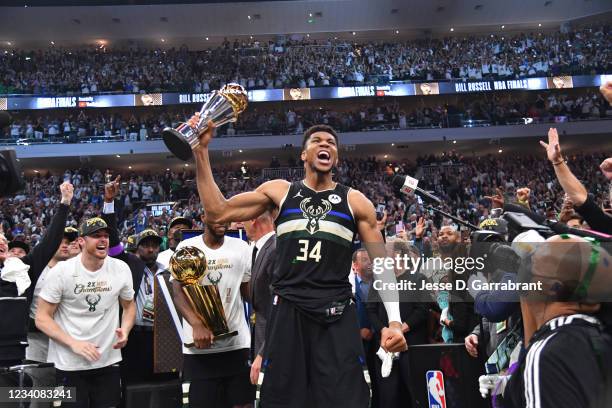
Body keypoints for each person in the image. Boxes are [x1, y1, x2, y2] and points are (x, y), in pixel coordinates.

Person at [189, 117, 406, 408]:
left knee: (346, 401)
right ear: (304, 154)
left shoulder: (356, 202)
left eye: (331, 143)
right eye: (317, 141)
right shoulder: (280, 192)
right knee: (283, 401)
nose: (325, 145)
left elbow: (382, 265)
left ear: (336, 157)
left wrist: (393, 321)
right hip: (288, 312)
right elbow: (217, 211)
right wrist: (200, 153)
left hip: (336, 314)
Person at [35, 217, 136, 408]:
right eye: (96, 236)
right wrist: (74, 343)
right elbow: (42, 318)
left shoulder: (121, 269)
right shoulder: (61, 271)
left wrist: (126, 328)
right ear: (81, 241)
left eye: (106, 236)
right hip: (69, 364)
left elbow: (130, 306)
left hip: (108, 361)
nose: (103, 240)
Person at [501, 235, 612, 408]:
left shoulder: (549, 352)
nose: (526, 267)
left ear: (553, 287)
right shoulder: (596, 336)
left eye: (536, 260)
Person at [172, 217, 254, 408]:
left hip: (236, 344)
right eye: (216, 215)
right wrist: (197, 324)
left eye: (226, 217)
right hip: (200, 348)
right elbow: (178, 292)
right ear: (203, 217)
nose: (222, 221)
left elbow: (247, 291)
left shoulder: (241, 247)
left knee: (243, 404)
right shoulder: (187, 246)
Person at [242, 210, 276, 386]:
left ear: (253, 218)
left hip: (273, 349)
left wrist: (264, 352)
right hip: (263, 339)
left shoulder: (275, 249)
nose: (242, 224)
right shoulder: (261, 248)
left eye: (244, 219)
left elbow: (280, 308)